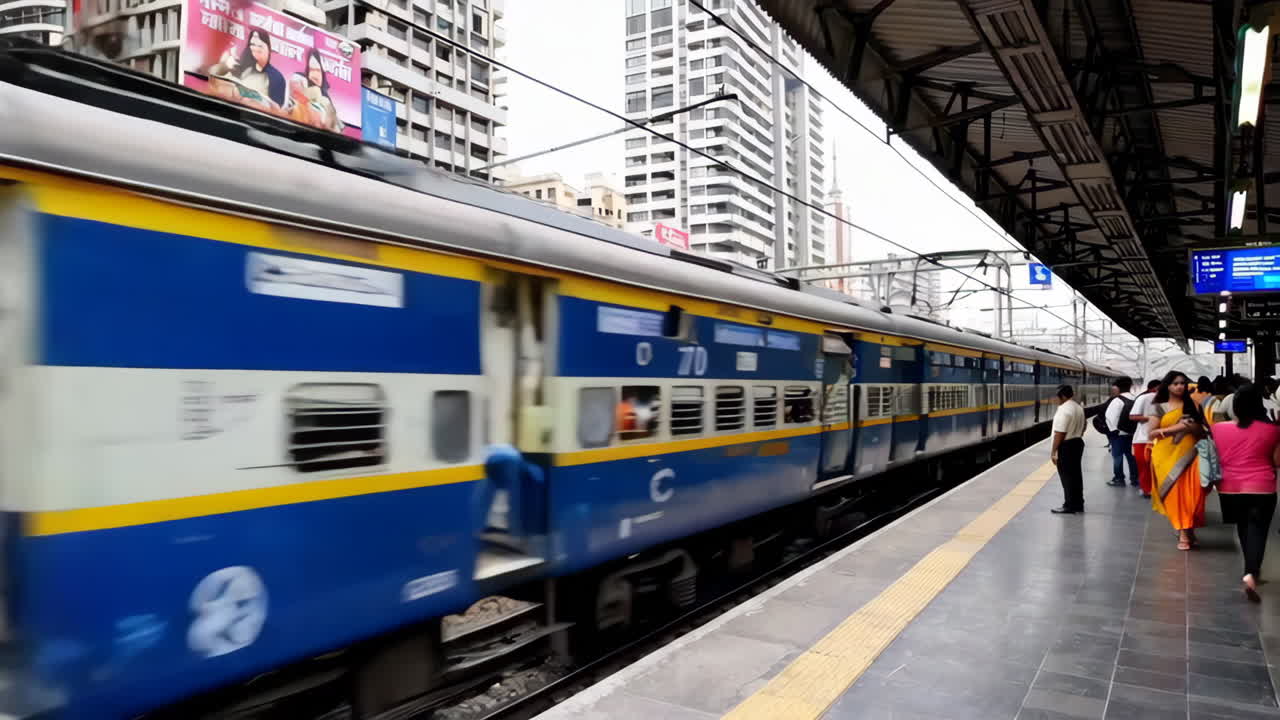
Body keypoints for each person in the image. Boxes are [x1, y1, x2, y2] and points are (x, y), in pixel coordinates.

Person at [1211, 383, 1280, 601]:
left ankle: (1250, 570)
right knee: (1258, 530)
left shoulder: (1218, 429)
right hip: (1262, 487)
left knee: (1243, 528)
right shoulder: (1274, 430)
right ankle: (1251, 573)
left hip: (1229, 488)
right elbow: (1277, 462)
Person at [1147, 371, 1209, 550]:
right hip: (1165, 456)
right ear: (1167, 386)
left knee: (1193, 495)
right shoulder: (1159, 407)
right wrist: (1176, 428)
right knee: (1175, 494)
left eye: (1182, 383)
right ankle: (1184, 532)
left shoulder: (1194, 406)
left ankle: (1188, 530)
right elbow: (1150, 433)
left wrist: (1193, 427)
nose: (1180, 386)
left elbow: (1203, 431)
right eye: (1175, 383)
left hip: (1191, 455)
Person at [208, 28, 287, 112]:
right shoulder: (242, 67)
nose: (255, 48)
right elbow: (215, 78)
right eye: (252, 44)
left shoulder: (276, 77)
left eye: (260, 46)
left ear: (269, 49)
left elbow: (276, 108)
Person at [288, 48, 344, 133]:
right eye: (311, 70)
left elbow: (338, 130)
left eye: (318, 70)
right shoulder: (299, 78)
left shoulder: (326, 100)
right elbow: (294, 93)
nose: (314, 75)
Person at [1050, 384, 1086, 514]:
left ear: (1063, 396)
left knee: (1067, 477)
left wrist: (1054, 451)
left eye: (1057, 396)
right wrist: (1078, 434)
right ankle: (1078, 503)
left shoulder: (1063, 410)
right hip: (1077, 443)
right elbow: (1085, 425)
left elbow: (1060, 432)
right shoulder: (1078, 407)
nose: (1055, 399)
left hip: (1066, 445)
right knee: (1076, 475)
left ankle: (1069, 505)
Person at [1129, 379, 1161, 499]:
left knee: (1147, 466)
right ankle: (1148, 489)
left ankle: (1150, 489)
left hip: (1157, 438)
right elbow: (1132, 416)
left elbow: (1132, 416)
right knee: (1145, 466)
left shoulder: (1169, 399)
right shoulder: (1144, 398)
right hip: (1143, 438)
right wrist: (1152, 418)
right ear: (1153, 388)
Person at [1104, 377, 1139, 488]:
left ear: (1117, 387)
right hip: (1132, 434)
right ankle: (1135, 479)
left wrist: (1114, 431)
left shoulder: (1117, 400)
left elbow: (1109, 417)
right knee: (1132, 457)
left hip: (1118, 435)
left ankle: (1119, 479)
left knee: (1118, 457)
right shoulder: (1135, 399)